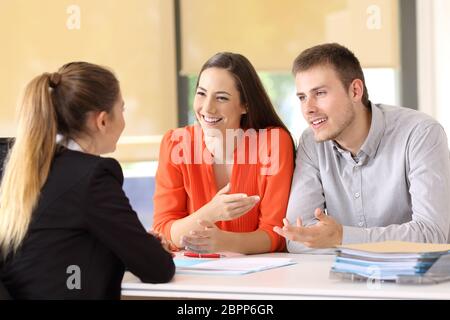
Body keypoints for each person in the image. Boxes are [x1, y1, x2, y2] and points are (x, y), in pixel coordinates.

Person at [0, 62, 175, 299]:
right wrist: (147, 249)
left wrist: (134, 243)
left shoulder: (21, 165)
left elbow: (59, 247)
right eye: (122, 110)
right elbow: (158, 269)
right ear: (102, 121)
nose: (124, 120)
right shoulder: (92, 176)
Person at [274, 43, 450, 253]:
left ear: (355, 91)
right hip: (344, 281)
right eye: (302, 97)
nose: (308, 109)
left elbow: (431, 235)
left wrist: (341, 237)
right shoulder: (312, 142)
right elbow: (297, 236)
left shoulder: (420, 133)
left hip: (417, 281)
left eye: (319, 93)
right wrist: (347, 243)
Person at [153, 52, 294, 254]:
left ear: (245, 105)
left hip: (261, 278)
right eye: (201, 93)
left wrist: (223, 242)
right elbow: (163, 231)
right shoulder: (176, 143)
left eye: (221, 98)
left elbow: (277, 233)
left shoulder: (273, 143)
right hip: (196, 275)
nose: (207, 108)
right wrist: (210, 213)